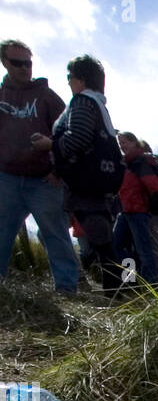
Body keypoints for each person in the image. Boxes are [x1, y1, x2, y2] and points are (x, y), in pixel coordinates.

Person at [0, 38, 80, 295]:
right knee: (1, 234)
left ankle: (67, 289)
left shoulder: (46, 96)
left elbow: (69, 134)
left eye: (28, 63)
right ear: (4, 63)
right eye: (18, 63)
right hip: (6, 180)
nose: (25, 68)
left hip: (44, 181)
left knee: (56, 235)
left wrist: (58, 171)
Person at [40, 53, 124, 295]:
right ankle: (111, 291)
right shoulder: (97, 104)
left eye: (70, 77)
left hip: (87, 185)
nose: (68, 82)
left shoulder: (83, 103)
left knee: (101, 241)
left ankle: (113, 293)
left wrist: (50, 145)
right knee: (101, 241)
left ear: (81, 80)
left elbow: (77, 139)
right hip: (98, 184)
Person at [113, 131, 158, 285]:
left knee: (143, 250)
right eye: (120, 143)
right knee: (119, 245)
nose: (122, 146)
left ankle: (151, 286)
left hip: (138, 213)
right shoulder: (126, 164)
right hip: (125, 212)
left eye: (125, 142)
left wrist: (150, 210)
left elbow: (156, 189)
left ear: (134, 143)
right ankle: (131, 282)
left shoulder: (140, 163)